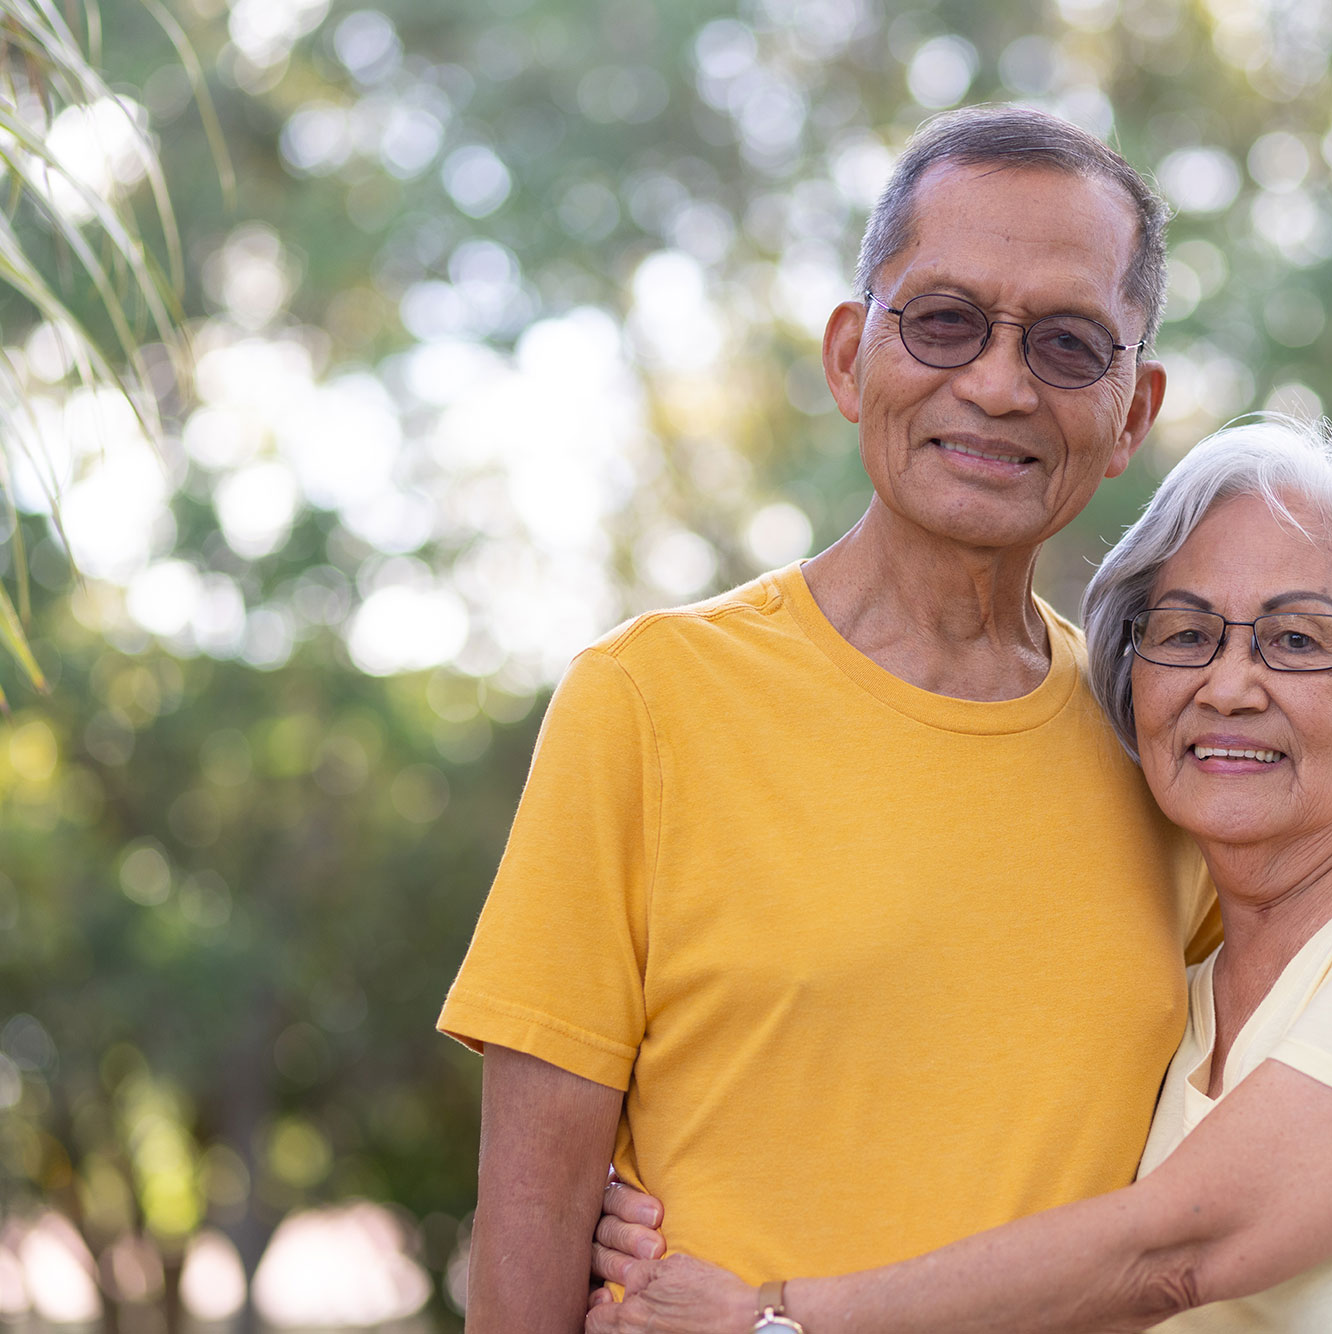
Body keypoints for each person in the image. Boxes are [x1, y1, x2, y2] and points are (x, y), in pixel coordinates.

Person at [586, 418, 1332, 1332]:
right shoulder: (1168, 1025)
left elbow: (1173, 1250)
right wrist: (658, 1225)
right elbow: (1034, 1264)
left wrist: (772, 1318)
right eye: (1181, 633)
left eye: (1298, 639)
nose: (1226, 684)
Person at [436, 105, 1223, 1334]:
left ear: (1131, 411)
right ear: (852, 354)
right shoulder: (645, 701)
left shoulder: (1170, 757)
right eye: (946, 320)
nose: (1000, 383)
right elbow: (530, 1230)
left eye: (1069, 345)